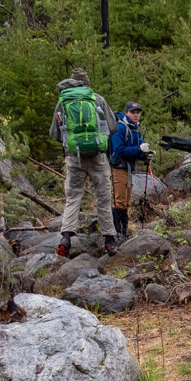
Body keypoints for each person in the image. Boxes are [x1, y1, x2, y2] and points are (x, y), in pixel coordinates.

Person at [49, 67, 118, 256]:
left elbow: (54, 133)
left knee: (72, 197)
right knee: (103, 198)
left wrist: (71, 142)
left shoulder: (63, 102)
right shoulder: (97, 99)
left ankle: (66, 237)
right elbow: (112, 127)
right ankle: (109, 241)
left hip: (74, 158)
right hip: (97, 157)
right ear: (87, 83)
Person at [106, 101, 151, 239]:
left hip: (129, 168)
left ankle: (123, 231)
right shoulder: (120, 127)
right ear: (126, 113)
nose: (136, 115)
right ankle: (117, 231)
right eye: (133, 112)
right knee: (119, 200)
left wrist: (145, 155)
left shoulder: (136, 129)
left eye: (138, 112)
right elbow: (118, 150)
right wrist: (138, 150)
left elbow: (138, 148)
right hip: (118, 167)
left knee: (126, 201)